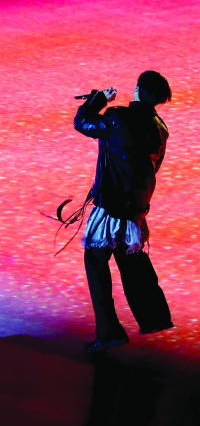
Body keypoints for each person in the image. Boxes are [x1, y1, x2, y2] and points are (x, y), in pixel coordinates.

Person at [75, 71, 174, 354]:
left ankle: (109, 330)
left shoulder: (118, 117)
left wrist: (97, 100)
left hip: (112, 205)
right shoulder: (160, 127)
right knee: (129, 259)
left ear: (138, 90)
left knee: (95, 259)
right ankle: (153, 317)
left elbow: (82, 123)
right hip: (136, 206)